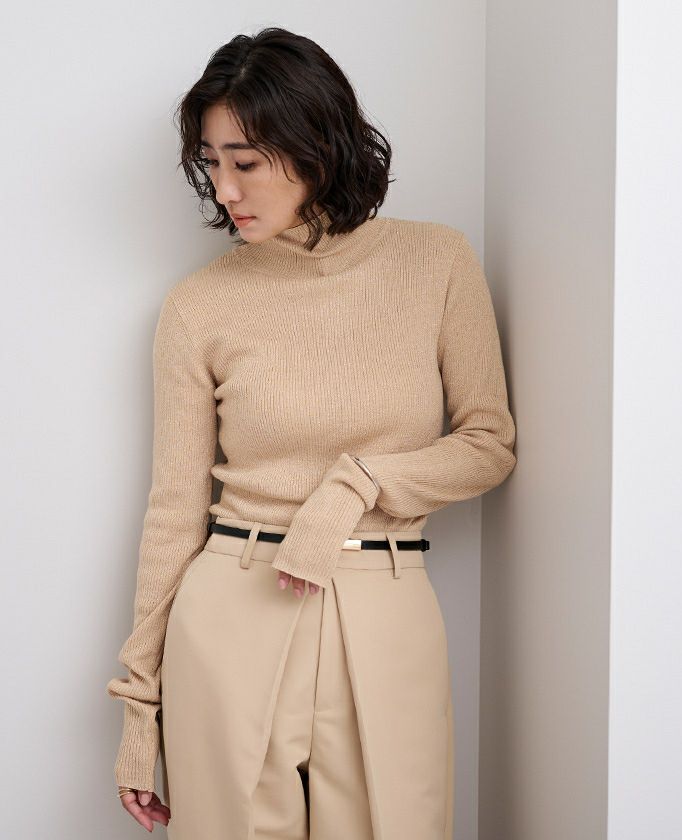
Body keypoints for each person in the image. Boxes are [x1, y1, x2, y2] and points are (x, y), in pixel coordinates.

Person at [106, 26, 516, 840]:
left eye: (247, 162)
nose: (225, 188)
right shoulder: (198, 305)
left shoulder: (437, 262)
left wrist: (355, 485)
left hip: (385, 601)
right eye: (211, 163)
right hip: (230, 608)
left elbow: (488, 442)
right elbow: (174, 511)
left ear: (314, 145)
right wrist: (139, 710)